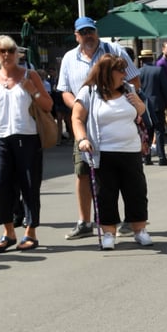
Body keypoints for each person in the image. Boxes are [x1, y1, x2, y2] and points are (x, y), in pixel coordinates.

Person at [57, 16, 139, 239]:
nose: (88, 36)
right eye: (83, 33)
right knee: (83, 172)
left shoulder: (113, 50)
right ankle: (85, 222)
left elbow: (134, 80)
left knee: (122, 176)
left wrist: (119, 100)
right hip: (83, 124)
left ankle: (129, 221)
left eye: (90, 31)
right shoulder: (68, 58)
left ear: (96, 31)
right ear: (76, 36)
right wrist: (78, 106)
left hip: (114, 121)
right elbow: (64, 90)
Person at [70, 55, 152, 251]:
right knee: (105, 194)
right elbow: (77, 118)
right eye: (120, 71)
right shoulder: (89, 92)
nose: (125, 75)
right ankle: (108, 233)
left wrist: (139, 105)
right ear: (107, 73)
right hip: (103, 152)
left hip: (131, 151)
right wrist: (82, 139)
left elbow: (142, 112)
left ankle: (139, 231)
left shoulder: (129, 90)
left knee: (136, 193)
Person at [0, 34, 52, 251]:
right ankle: (9, 232)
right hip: (0, 139)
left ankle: (30, 232)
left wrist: (32, 90)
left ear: (17, 53)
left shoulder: (30, 75)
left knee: (29, 186)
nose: (6, 54)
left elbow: (47, 105)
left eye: (10, 50)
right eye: (2, 51)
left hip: (27, 138)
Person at [138, 49, 167, 166]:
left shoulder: (139, 72)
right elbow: (166, 89)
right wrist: (164, 102)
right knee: (159, 131)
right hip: (157, 105)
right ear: (152, 59)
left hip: (144, 106)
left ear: (141, 60)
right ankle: (162, 157)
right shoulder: (158, 70)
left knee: (147, 131)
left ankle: (147, 157)